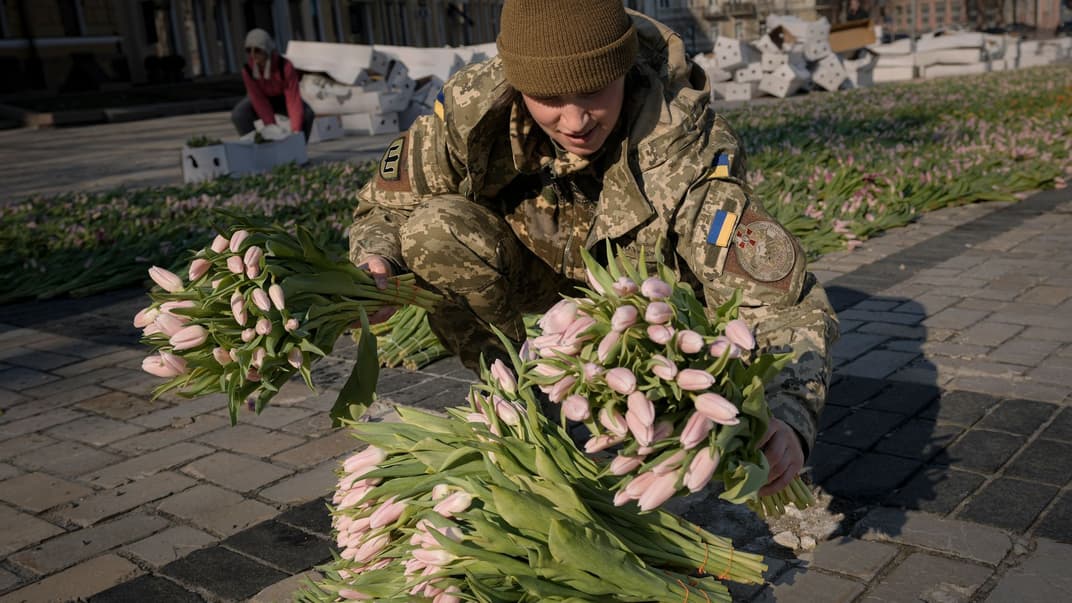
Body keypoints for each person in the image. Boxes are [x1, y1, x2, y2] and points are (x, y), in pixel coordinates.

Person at [349, 0, 839, 498]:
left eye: (593, 92)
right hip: (535, 267)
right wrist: (377, 262)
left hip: (652, 301)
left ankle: (647, 403)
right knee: (432, 231)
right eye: (548, 98)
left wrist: (787, 413)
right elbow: (389, 207)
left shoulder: (683, 147)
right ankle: (514, 400)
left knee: (683, 387)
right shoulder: (473, 108)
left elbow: (781, 303)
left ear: (622, 68)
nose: (575, 119)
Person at [231, 29, 315, 141]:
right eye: (248, 50)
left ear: (266, 49)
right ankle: (255, 147)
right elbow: (259, 100)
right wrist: (272, 131)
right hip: (262, 99)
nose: (252, 54)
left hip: (282, 98)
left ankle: (298, 147)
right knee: (239, 114)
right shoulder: (248, 70)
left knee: (307, 114)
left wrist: (296, 132)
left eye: (257, 50)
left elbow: (293, 100)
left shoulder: (285, 66)